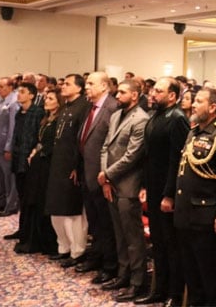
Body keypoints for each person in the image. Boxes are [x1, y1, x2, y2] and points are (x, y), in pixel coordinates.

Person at [174, 88, 216, 306]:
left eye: (199, 101)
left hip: (206, 215)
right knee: (191, 272)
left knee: (208, 273)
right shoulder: (193, 132)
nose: (193, 104)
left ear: (212, 107)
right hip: (185, 214)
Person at [135, 77, 190, 307]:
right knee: (158, 242)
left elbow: (177, 160)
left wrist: (169, 194)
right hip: (154, 187)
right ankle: (159, 288)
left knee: (171, 245)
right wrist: (145, 186)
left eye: (159, 91)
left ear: (172, 96)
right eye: (153, 90)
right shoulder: (155, 115)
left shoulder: (177, 119)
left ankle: (174, 294)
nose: (152, 94)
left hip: (168, 192)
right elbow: (150, 156)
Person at [97, 79, 150, 302]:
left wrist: (108, 174)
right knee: (119, 234)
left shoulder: (142, 119)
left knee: (133, 237)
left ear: (135, 96)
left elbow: (132, 155)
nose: (117, 96)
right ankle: (123, 274)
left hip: (129, 184)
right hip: (111, 183)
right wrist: (105, 178)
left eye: (123, 93)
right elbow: (106, 147)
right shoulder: (116, 115)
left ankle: (138, 282)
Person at [75, 72, 119, 284]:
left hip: (102, 176)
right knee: (94, 222)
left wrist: (107, 177)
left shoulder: (112, 108)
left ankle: (109, 266)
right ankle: (96, 258)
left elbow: (112, 146)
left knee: (105, 223)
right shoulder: (90, 107)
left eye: (91, 84)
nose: (86, 87)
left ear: (104, 86)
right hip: (86, 172)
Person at [46, 74, 91, 268]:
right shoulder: (66, 107)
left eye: (67, 84)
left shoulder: (83, 107)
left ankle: (77, 251)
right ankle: (63, 247)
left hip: (72, 166)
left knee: (73, 212)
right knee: (57, 209)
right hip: (58, 163)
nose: (63, 86)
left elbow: (81, 141)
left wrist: (76, 166)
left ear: (79, 89)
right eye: (63, 83)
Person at [14, 88, 60, 255]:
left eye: (50, 98)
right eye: (46, 98)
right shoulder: (47, 119)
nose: (46, 101)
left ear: (58, 102)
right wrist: (35, 150)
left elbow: (52, 144)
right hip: (37, 164)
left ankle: (44, 240)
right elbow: (39, 140)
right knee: (31, 199)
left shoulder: (57, 121)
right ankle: (30, 236)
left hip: (46, 165)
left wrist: (38, 151)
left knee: (40, 200)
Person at [9, 82, 45, 247]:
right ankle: (22, 229)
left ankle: (29, 232)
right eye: (18, 92)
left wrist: (33, 154)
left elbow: (39, 137)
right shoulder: (19, 113)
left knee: (29, 198)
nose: (19, 95)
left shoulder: (37, 113)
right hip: (18, 159)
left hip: (30, 160)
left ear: (31, 95)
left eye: (22, 92)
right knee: (21, 196)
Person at [0, 77, 20, 215]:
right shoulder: (0, 101)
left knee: (9, 178)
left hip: (4, 146)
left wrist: (9, 147)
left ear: (10, 87)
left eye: (1, 86)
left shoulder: (13, 102)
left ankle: (10, 205)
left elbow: (13, 127)